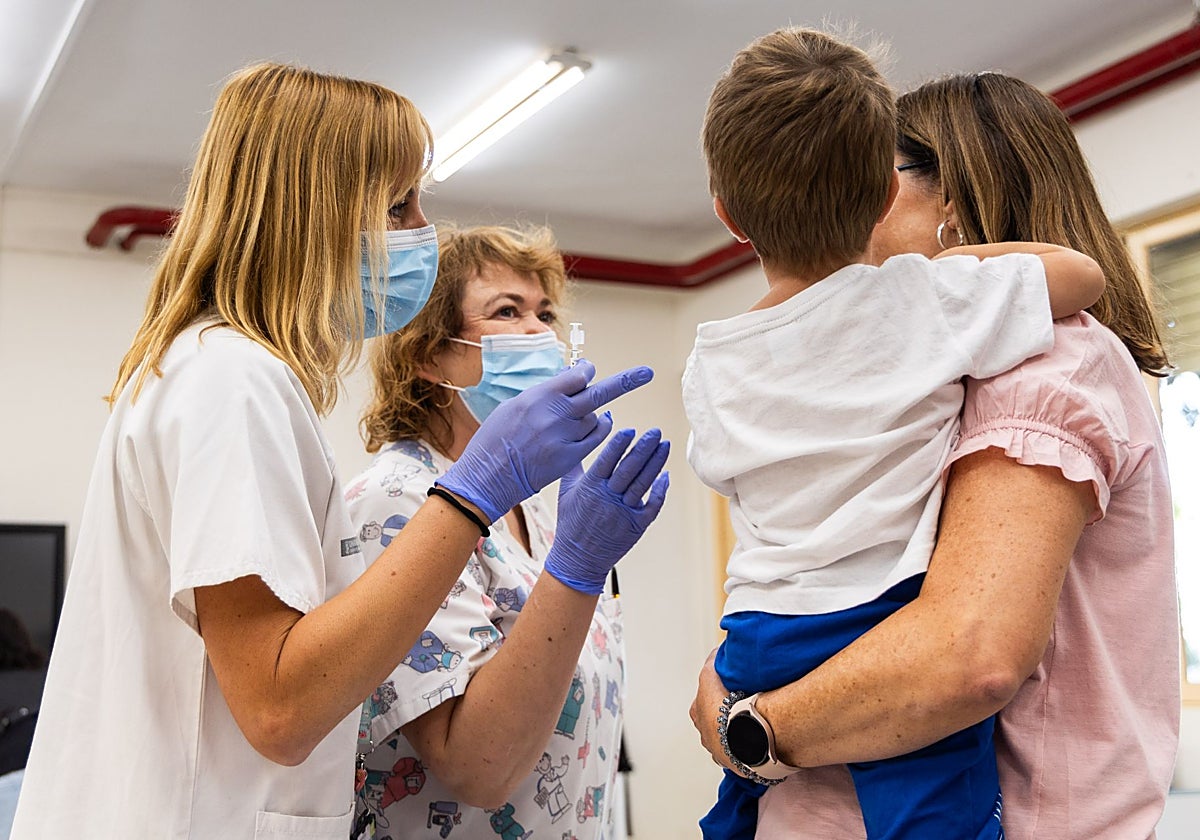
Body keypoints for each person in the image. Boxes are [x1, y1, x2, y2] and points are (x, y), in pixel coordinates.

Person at [10, 64, 657, 840]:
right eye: (396, 205)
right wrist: (476, 491)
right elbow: (281, 707)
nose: (421, 231)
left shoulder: (233, 377)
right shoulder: (230, 380)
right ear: (306, 214)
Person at [691, 70, 1178, 840]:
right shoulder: (913, 365)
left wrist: (747, 728)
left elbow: (967, 657)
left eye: (870, 177)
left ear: (945, 203)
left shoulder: (1046, 363)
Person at [345, 224, 669, 839]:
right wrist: (575, 570)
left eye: (544, 312)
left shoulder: (544, 510)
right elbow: (478, 770)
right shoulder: (396, 502)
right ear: (427, 355)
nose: (541, 333)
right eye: (506, 311)